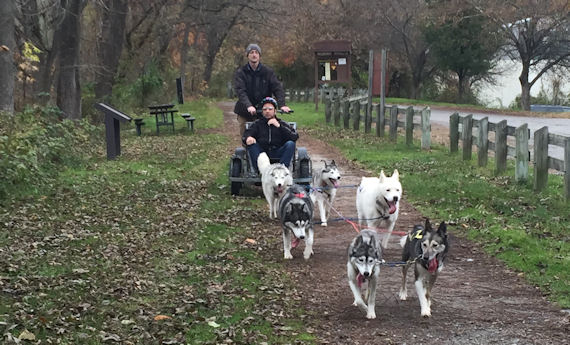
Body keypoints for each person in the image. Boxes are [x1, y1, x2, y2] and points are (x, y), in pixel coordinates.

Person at [233, 43, 291, 137]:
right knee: (246, 136)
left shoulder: (268, 72)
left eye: (256, 52)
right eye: (251, 52)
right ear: (248, 55)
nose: (254, 55)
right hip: (245, 111)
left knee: (266, 135)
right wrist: (249, 106)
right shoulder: (241, 72)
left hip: (264, 110)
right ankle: (248, 150)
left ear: (259, 56)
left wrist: (282, 105)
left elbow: (277, 88)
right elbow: (240, 91)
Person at [243, 97, 298, 173]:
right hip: (262, 153)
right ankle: (259, 172)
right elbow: (246, 134)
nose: (267, 111)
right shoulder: (257, 124)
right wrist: (248, 138)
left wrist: (279, 126)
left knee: (290, 144)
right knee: (252, 144)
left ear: (275, 111)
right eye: (265, 109)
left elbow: (294, 136)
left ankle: (281, 171)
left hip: (277, 151)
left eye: (270, 109)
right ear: (262, 112)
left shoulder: (282, 124)